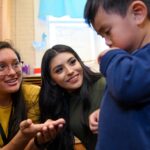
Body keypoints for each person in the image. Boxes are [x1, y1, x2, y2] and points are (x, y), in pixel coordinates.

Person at [84, 0, 150, 150]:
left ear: (137, 13)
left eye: (107, 31)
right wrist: (106, 111)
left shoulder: (125, 64)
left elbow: (127, 85)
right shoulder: (133, 62)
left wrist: (112, 57)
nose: (107, 42)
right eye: (102, 36)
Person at [0, 41, 65, 150]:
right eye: (1, 66)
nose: (12, 72)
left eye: (16, 64)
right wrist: (23, 136)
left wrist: (39, 140)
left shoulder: (32, 94)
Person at [39, 44, 105, 150]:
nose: (70, 71)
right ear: (52, 80)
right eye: (59, 70)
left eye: (72, 62)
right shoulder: (60, 103)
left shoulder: (103, 84)